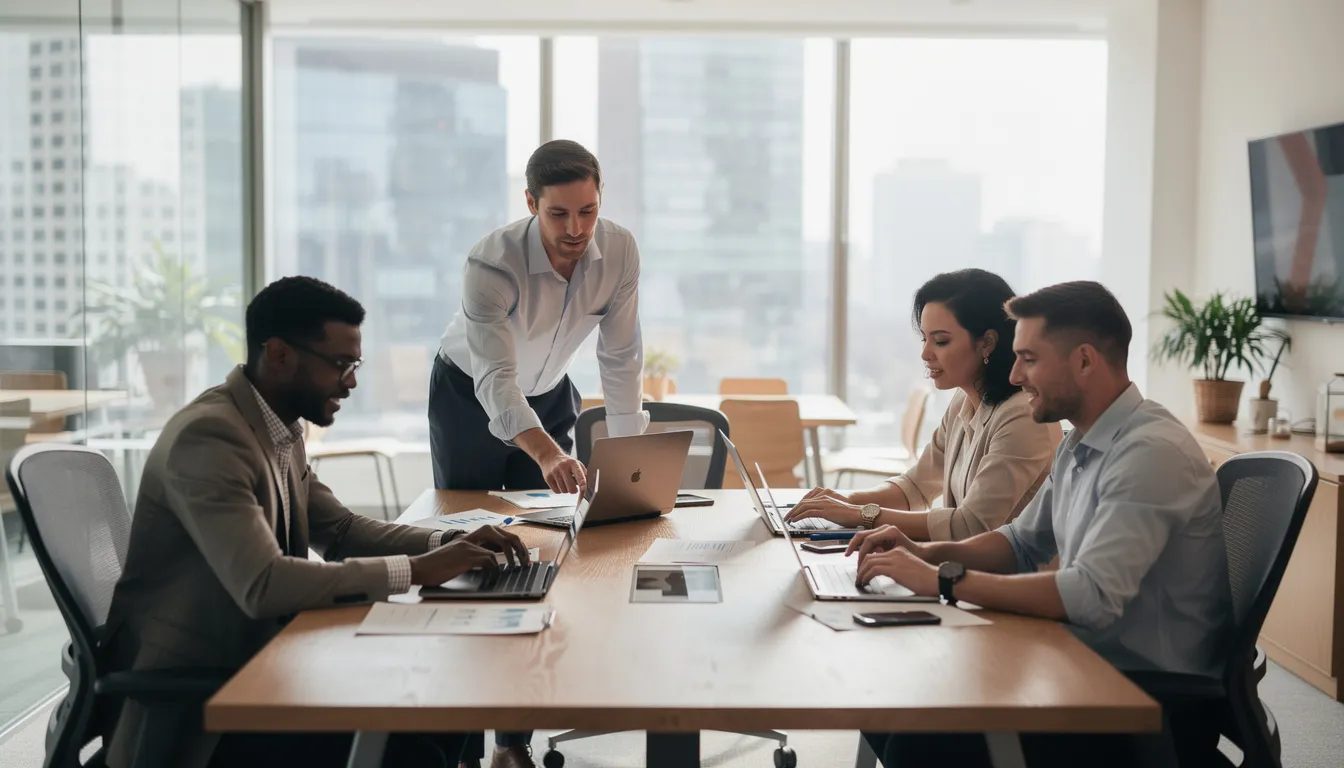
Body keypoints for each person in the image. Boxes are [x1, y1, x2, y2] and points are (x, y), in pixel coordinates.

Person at [104, 277, 528, 768]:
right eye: (340, 364)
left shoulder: (277, 425)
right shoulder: (211, 438)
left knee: (445, 706)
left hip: (270, 662)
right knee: (414, 748)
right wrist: (417, 570)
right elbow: (263, 583)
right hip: (207, 706)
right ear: (280, 354)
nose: (351, 381)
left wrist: (448, 540)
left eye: (356, 365)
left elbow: (342, 531)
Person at [850, 281, 1232, 767]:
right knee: (890, 705)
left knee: (918, 742)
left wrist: (944, 581)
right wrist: (917, 552)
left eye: (1028, 359)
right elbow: (1019, 542)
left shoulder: (1149, 453)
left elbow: (1089, 595)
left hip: (1143, 702)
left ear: (1085, 361)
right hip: (1083, 665)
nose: (1013, 374)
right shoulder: (1081, 442)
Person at [430, 139, 648, 498]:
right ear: (531, 203)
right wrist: (547, 455)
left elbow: (621, 355)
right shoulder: (492, 264)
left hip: (550, 394)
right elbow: (496, 378)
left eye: (588, 211)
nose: (576, 229)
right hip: (467, 392)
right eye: (558, 214)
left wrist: (630, 463)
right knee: (468, 521)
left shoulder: (620, 251)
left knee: (550, 518)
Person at [788, 269, 1060, 541]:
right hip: (964, 569)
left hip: (1006, 581)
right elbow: (916, 486)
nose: (925, 353)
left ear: (987, 342)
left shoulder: (1024, 416)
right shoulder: (964, 401)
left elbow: (971, 526)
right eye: (924, 338)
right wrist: (841, 501)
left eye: (940, 341)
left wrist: (860, 514)